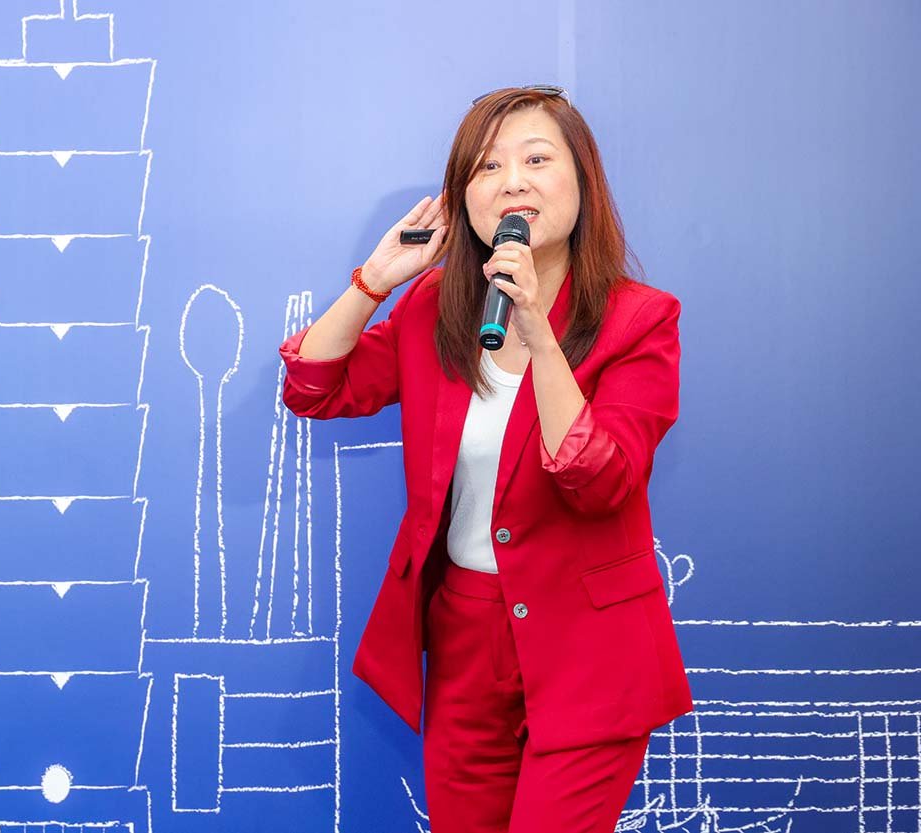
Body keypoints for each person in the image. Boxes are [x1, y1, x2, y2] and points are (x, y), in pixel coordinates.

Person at [277, 85, 693, 833]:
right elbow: (314, 386)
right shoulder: (437, 308)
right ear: (464, 198)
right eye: (489, 167)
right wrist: (376, 280)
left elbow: (600, 479)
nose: (513, 183)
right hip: (464, 637)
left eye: (537, 159)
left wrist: (537, 331)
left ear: (583, 182)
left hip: (591, 650)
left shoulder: (640, 320)